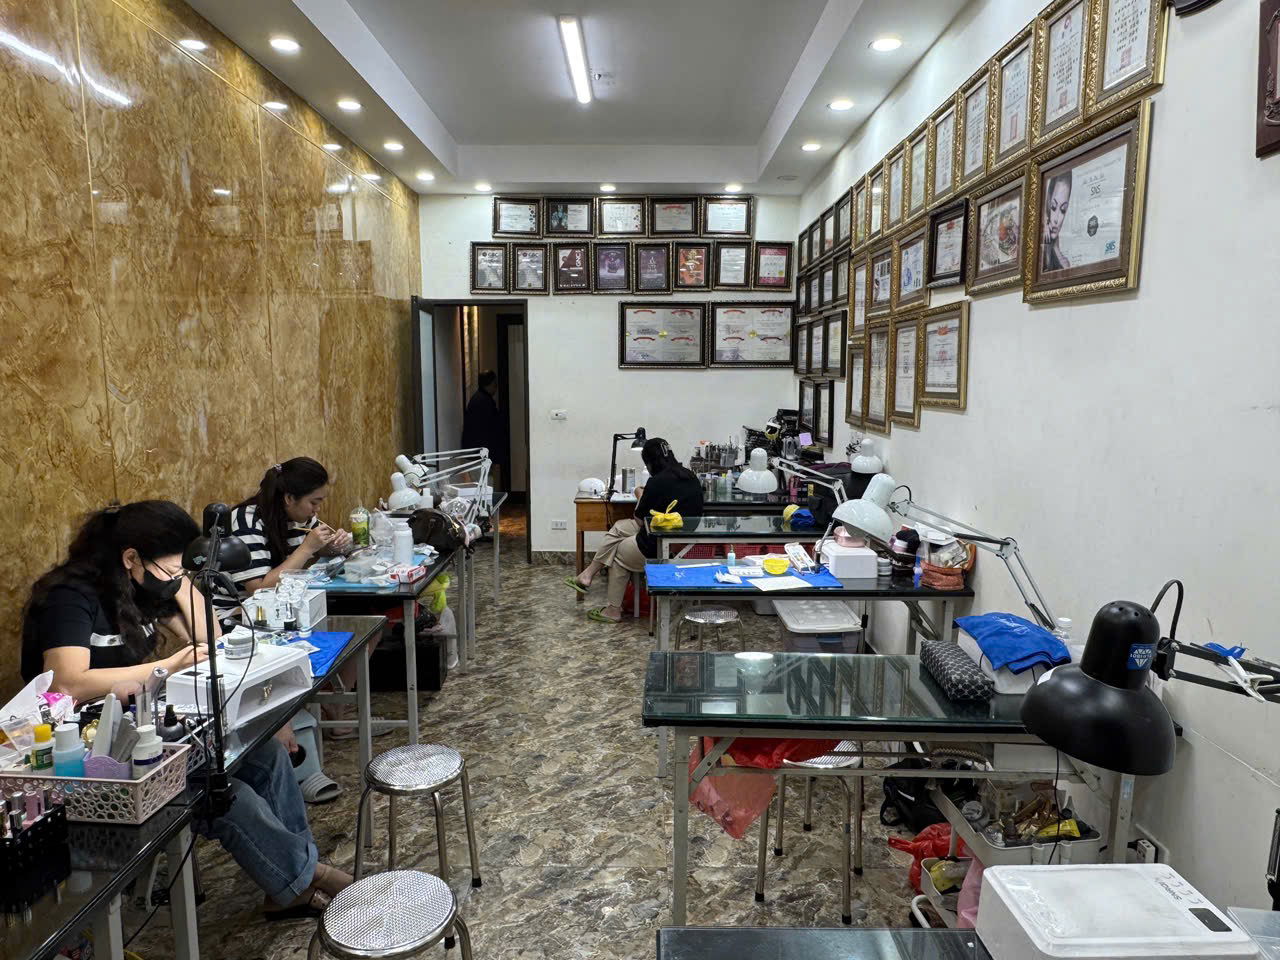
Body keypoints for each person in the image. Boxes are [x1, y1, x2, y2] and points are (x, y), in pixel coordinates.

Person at [21, 501, 351, 919]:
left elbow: (210, 638)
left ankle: (294, 880)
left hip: (144, 731)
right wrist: (167, 665)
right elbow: (67, 682)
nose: (176, 579)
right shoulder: (71, 597)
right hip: (89, 756)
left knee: (268, 756)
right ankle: (308, 879)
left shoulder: (140, 589)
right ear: (130, 558)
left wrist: (178, 583)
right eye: (172, 569)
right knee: (230, 798)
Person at [225, 458, 381, 741]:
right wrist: (308, 548)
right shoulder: (245, 522)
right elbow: (258, 589)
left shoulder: (299, 516)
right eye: (314, 502)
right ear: (289, 498)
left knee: (370, 624)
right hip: (242, 614)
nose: (316, 510)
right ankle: (322, 710)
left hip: (290, 604)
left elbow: (315, 551)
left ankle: (335, 703)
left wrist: (333, 546)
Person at [566, 437, 704, 623]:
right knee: (619, 527)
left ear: (650, 463)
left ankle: (612, 609)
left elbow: (640, 520)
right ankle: (588, 574)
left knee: (618, 551)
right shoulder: (690, 477)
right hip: (683, 543)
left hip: (660, 543)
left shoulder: (657, 481)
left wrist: (640, 494)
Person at [461, 371, 507, 487]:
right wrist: (493, 456)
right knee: (484, 485)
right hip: (479, 454)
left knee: (482, 484)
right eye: (495, 384)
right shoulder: (484, 402)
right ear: (490, 384)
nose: (496, 388)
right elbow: (488, 432)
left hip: (474, 453)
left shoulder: (478, 399)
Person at [1041, 172, 1072, 272]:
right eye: (1053, 207)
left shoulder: (1064, 262)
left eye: (1063, 210)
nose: (1056, 219)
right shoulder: (1040, 252)